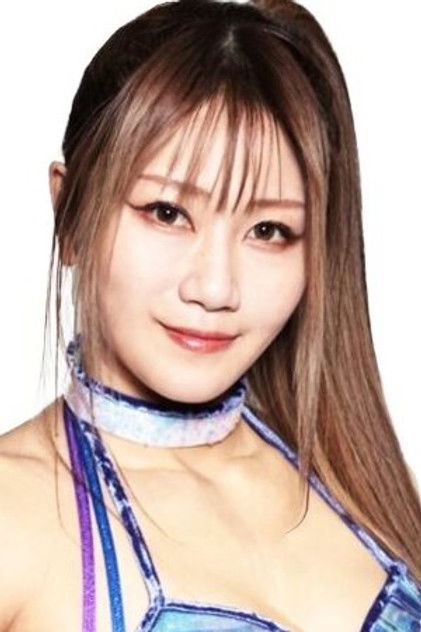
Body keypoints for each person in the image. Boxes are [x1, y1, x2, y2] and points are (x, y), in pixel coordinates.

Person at [0, 0, 420, 630]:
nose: (216, 288)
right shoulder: (13, 518)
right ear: (71, 217)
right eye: (168, 213)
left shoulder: (369, 492)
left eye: (269, 230)